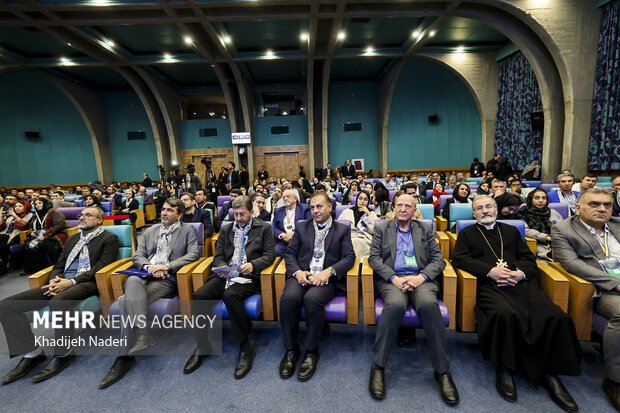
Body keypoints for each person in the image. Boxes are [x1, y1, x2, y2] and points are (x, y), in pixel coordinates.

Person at [452, 195, 581, 411]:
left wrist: (519, 274)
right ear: (474, 213)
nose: (485, 211)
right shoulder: (467, 233)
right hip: (489, 286)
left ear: (496, 209)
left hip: (520, 285)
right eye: (479, 208)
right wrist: (490, 271)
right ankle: (505, 368)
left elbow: (528, 259)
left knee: (555, 315)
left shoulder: (511, 232)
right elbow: (460, 259)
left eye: (489, 207)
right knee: (503, 314)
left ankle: (550, 373)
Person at [0, 206, 119, 384]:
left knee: (58, 302)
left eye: (88, 215)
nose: (82, 218)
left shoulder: (109, 238)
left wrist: (70, 282)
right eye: (81, 215)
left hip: (87, 283)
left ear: (100, 220)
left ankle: (64, 353)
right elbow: (59, 264)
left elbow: (100, 267)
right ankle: (32, 353)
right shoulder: (73, 239)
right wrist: (56, 279)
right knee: (6, 305)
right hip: (61, 282)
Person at [99, 198, 200, 388]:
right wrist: (148, 266)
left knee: (124, 303)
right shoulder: (150, 230)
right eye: (163, 209)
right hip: (144, 274)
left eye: (169, 210)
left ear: (179, 214)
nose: (163, 213)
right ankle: (142, 334)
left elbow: (193, 254)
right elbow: (138, 255)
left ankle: (123, 358)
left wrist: (167, 266)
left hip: (167, 278)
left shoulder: (187, 230)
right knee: (131, 279)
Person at [368, 194, 459, 404]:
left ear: (414, 210)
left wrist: (421, 277)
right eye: (399, 205)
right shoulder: (382, 228)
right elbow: (374, 258)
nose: (403, 209)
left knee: (429, 304)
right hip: (393, 281)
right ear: (393, 208)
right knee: (395, 306)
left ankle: (442, 371)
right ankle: (378, 366)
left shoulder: (425, 228)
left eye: (407, 206)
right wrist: (393, 278)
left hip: (420, 279)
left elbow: (439, 260)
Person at [185, 196, 276, 379]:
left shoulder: (264, 228)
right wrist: (223, 268)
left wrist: (253, 265)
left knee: (231, 295)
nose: (239, 218)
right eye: (236, 214)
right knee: (200, 295)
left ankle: (244, 346)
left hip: (248, 275)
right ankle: (203, 345)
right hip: (226, 274)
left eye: (243, 214)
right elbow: (217, 256)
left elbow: (269, 255)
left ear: (251, 211)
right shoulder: (226, 229)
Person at [551, 188, 620, 410]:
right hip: (603, 289)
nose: (602, 209)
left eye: (607, 205)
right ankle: (614, 380)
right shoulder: (564, 229)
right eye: (595, 204)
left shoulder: (618, 225)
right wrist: (616, 283)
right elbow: (572, 264)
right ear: (578, 207)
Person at [278, 193, 355, 381]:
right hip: (303, 275)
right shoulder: (302, 227)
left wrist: (329, 271)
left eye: (319, 206)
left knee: (312, 299)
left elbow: (349, 257)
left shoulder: (341, 230)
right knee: (288, 299)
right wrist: (297, 272)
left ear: (330, 207)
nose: (315, 211)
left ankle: (311, 351)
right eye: (312, 207)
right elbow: (290, 254)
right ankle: (291, 349)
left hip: (325, 278)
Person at [22, 198, 67, 275]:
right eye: (36, 204)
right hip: (39, 236)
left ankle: (48, 270)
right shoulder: (36, 215)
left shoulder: (54, 213)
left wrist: (44, 235)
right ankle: (32, 269)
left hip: (54, 235)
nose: (37, 205)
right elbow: (31, 227)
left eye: (40, 203)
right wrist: (32, 232)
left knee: (44, 246)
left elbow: (59, 226)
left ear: (46, 204)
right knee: (26, 245)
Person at [521, 188, 563, 261]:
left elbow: (563, 227)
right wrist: (546, 237)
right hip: (538, 244)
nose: (541, 201)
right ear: (531, 199)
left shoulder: (553, 212)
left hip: (558, 243)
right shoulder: (523, 213)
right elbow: (525, 230)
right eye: (537, 198)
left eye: (544, 198)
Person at [337, 190, 377, 258]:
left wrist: (368, 214)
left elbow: (375, 230)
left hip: (365, 239)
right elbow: (339, 227)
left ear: (368, 202)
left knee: (356, 242)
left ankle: (359, 264)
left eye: (365, 199)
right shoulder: (347, 211)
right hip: (349, 237)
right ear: (357, 199)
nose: (362, 201)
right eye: (360, 198)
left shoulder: (371, 213)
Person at [272, 189, 311, 257]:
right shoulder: (278, 211)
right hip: (284, 241)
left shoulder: (304, 208)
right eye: (284, 197)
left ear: (295, 198)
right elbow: (273, 227)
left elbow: (309, 224)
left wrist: (294, 234)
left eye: (288, 196)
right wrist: (282, 235)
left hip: (300, 240)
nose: (285, 199)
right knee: (275, 251)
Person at [0, 200, 33, 274]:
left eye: (20, 206)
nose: (17, 208)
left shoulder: (30, 215)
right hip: (6, 235)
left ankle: (3, 266)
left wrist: (15, 215)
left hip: (19, 236)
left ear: (26, 208)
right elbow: (1, 227)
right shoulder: (10, 216)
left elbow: (26, 226)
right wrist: (2, 216)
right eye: (16, 206)